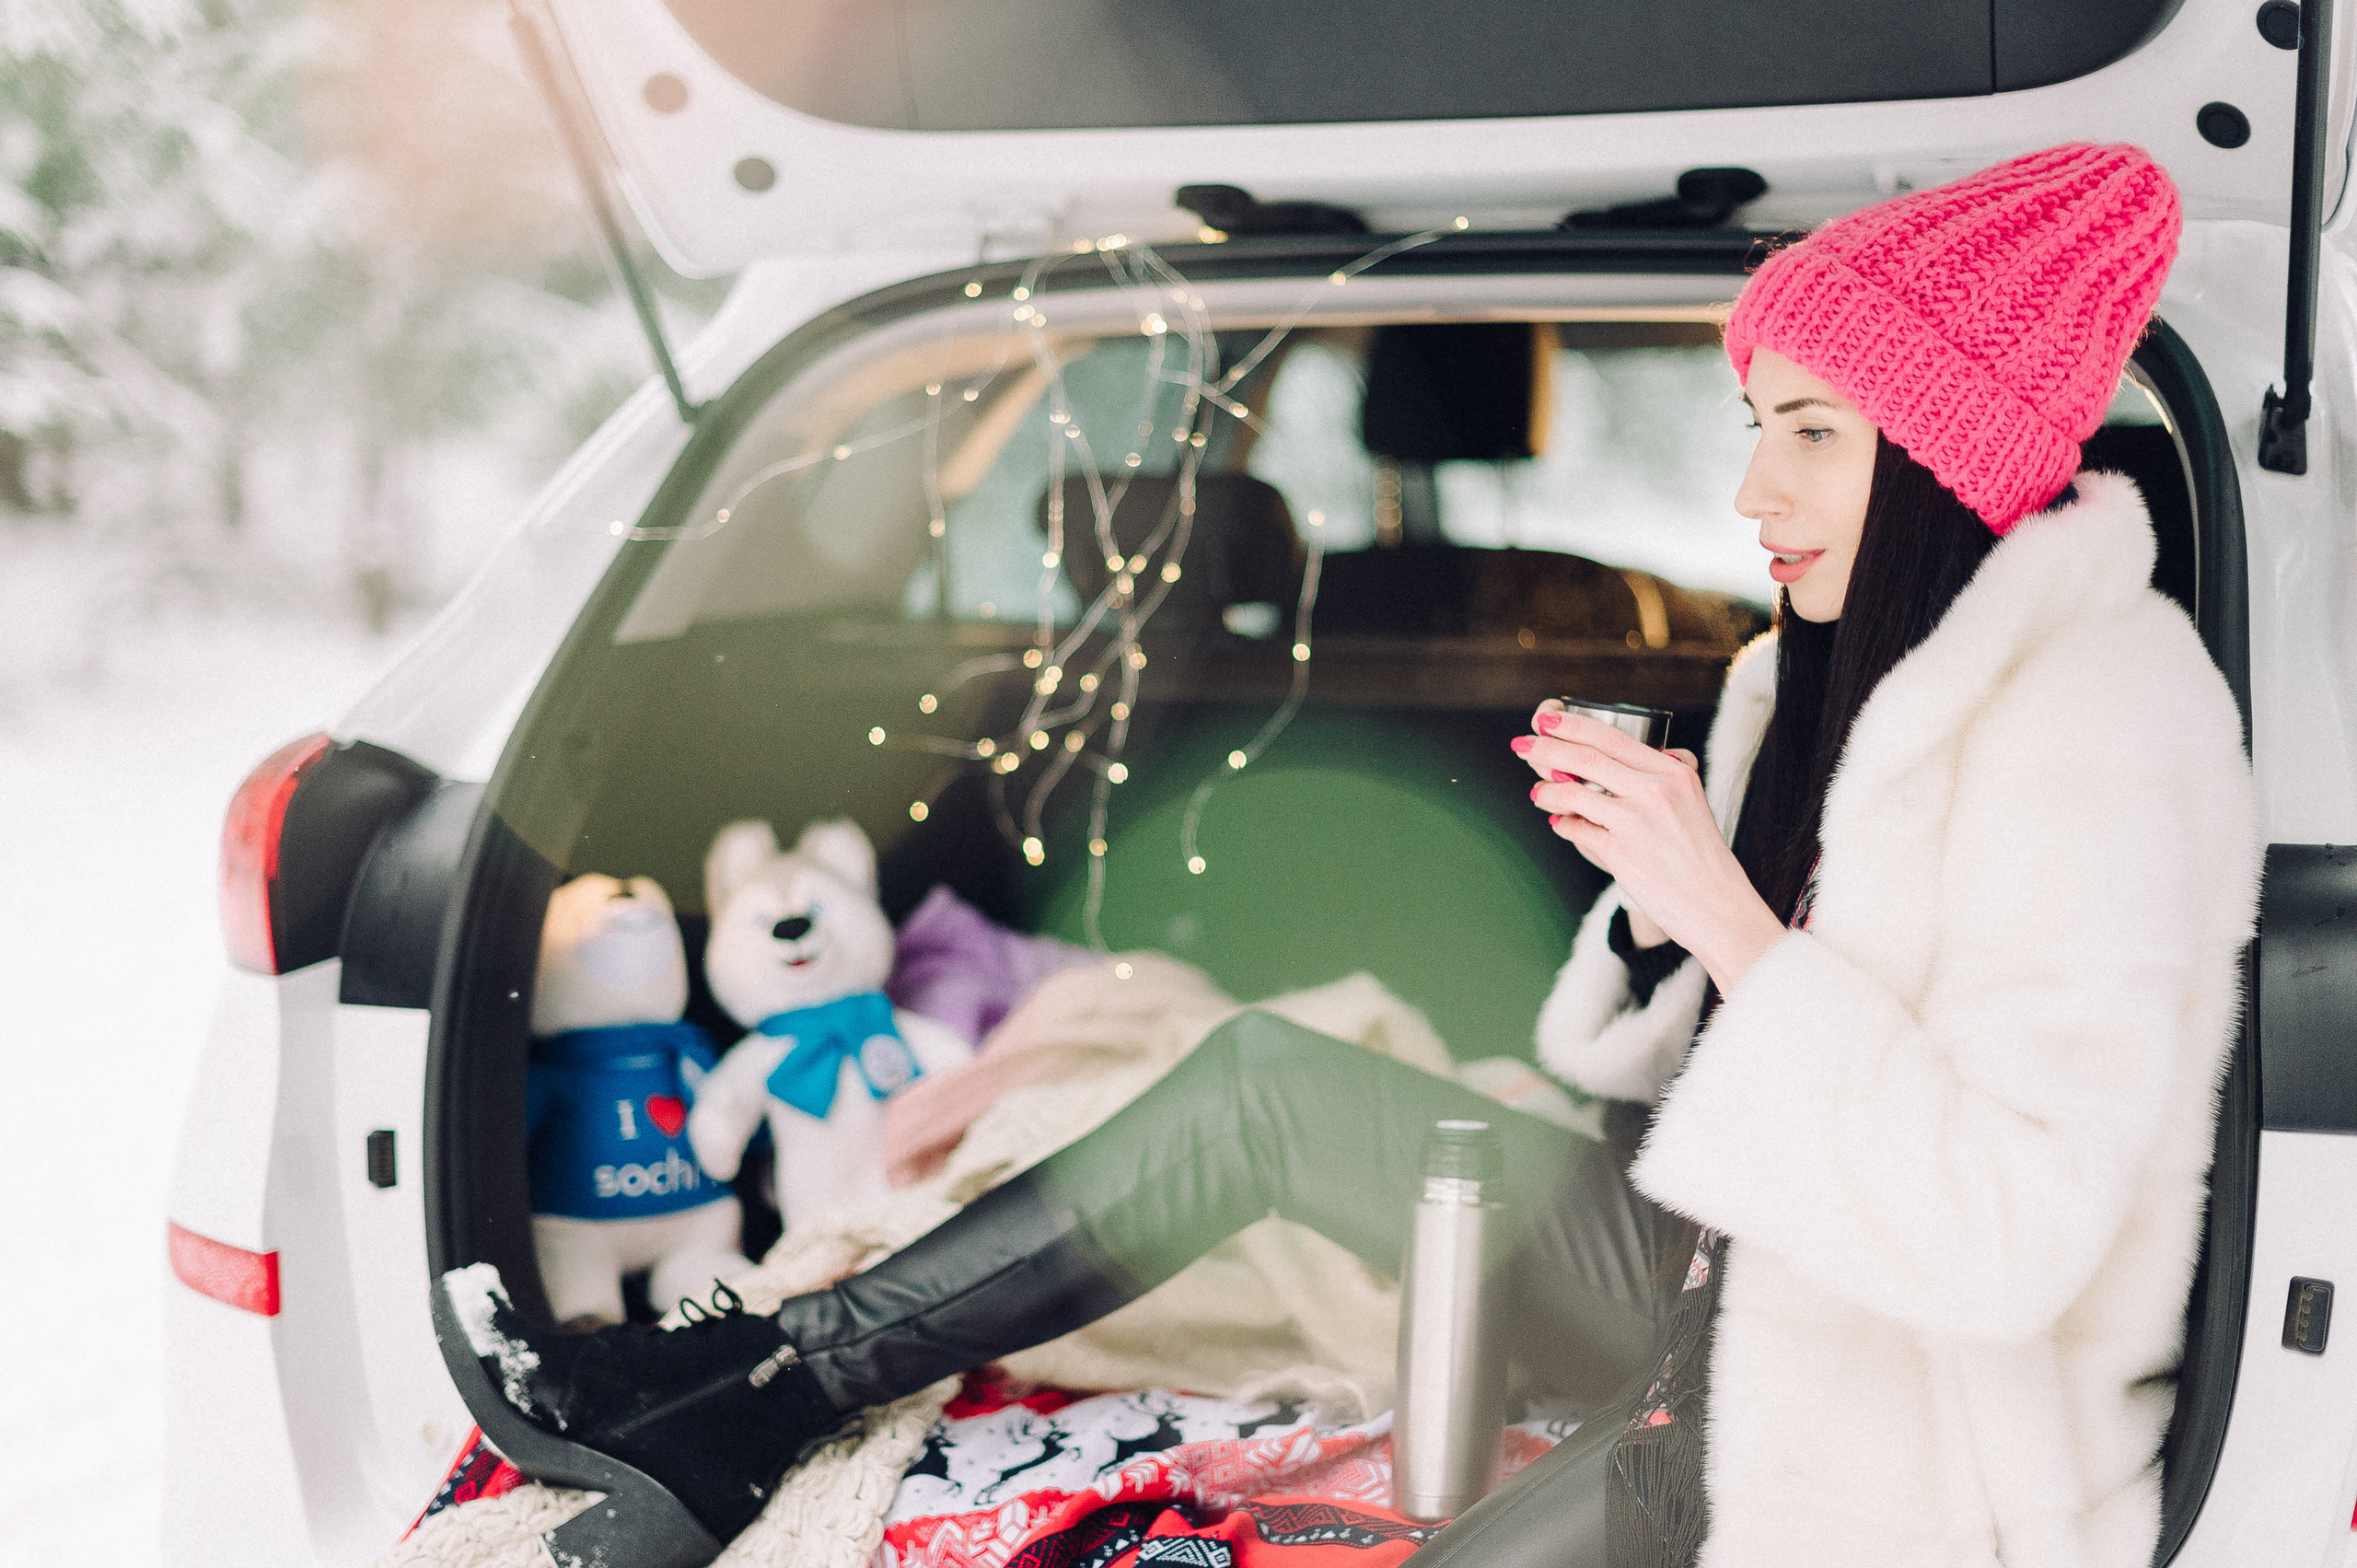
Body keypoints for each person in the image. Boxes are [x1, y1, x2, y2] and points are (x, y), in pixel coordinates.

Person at [449, 143, 2258, 1568]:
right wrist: (1648, 901)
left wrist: (1723, 912)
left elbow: (2005, 1246)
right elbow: (1654, 1057)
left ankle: (736, 1399)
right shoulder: (1812, 674)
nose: (1748, 494)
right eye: (1746, 427)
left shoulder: (2095, 732)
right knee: (1257, 1083)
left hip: (1881, 1437)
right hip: (1709, 1273)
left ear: (1946, 458)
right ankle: (742, 1398)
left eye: (1807, 433)